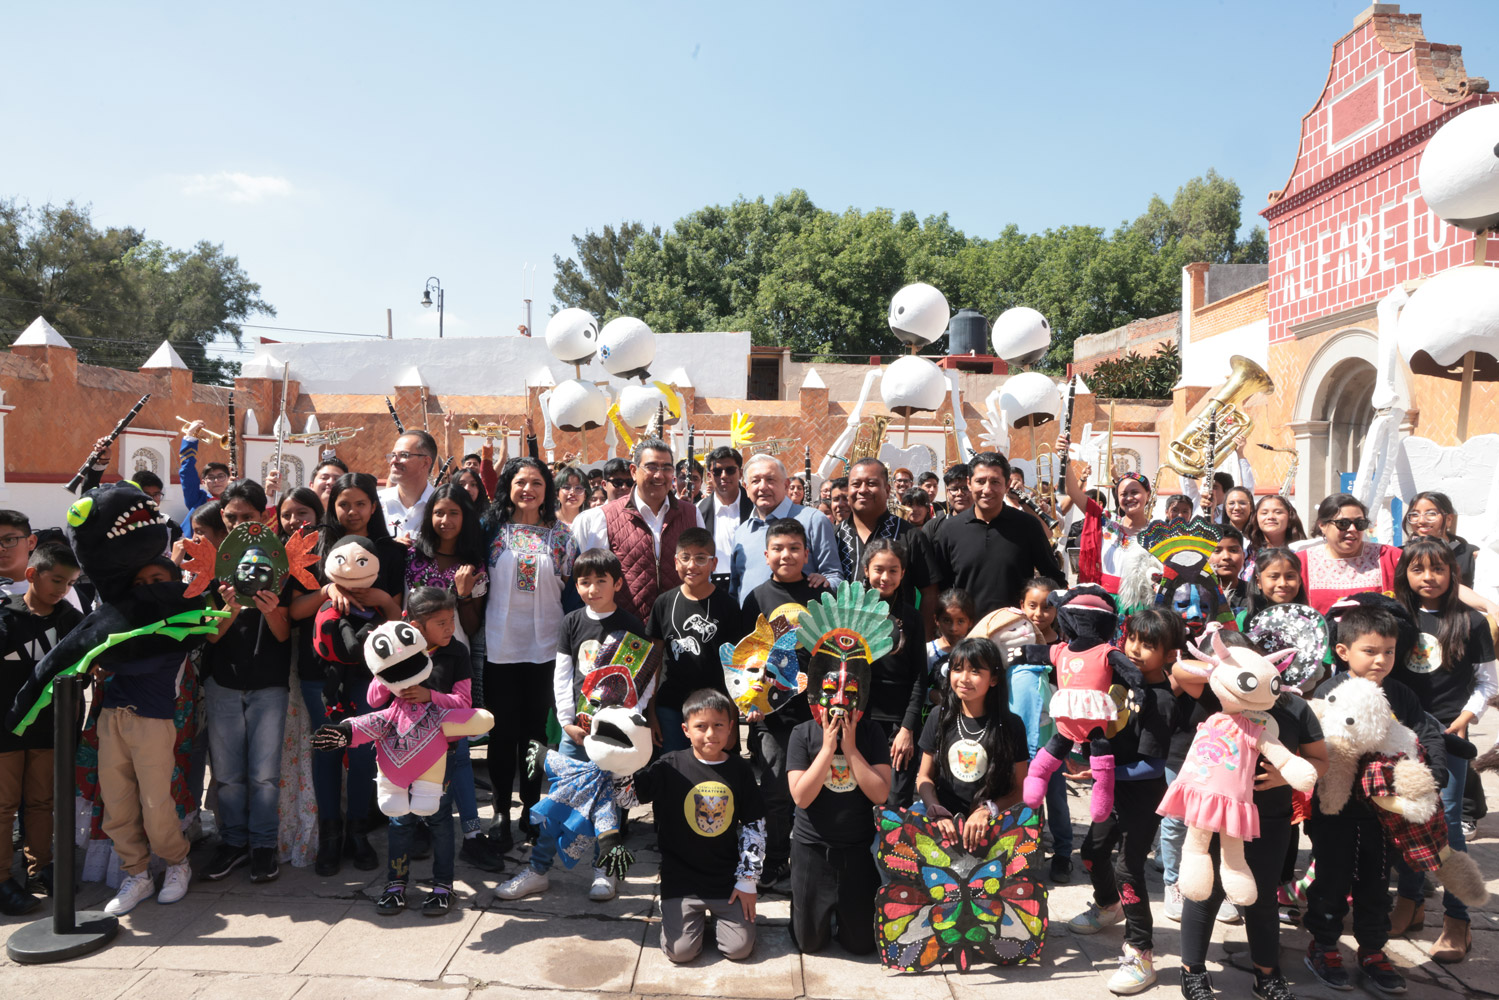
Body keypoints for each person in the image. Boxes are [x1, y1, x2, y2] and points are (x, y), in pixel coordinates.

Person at [1173, 630, 1328, 1000]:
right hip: (1212, 817)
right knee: (1203, 894)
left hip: (1269, 820)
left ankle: (1267, 973)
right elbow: (1179, 671)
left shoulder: (1294, 708)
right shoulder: (1217, 695)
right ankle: (1191, 970)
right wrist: (1220, 666)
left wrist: (1283, 775)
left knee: (1261, 898)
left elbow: (1321, 761)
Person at [1303, 604, 1446, 993]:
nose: (1381, 660)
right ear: (1344, 652)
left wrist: (1432, 773)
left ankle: (1372, 950)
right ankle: (1324, 945)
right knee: (1331, 879)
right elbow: (1320, 745)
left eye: (1389, 651)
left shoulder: (1401, 694)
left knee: (1376, 883)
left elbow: (1427, 733)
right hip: (1335, 811)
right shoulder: (1330, 693)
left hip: (1384, 818)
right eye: (1370, 651)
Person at [290, 472, 408, 872]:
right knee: (327, 749)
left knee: (361, 751)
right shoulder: (313, 547)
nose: (352, 511)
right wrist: (326, 591)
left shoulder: (391, 554)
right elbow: (293, 612)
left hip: (371, 672)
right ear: (332, 506)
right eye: (344, 504)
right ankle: (330, 836)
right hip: (320, 672)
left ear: (373, 506)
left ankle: (358, 833)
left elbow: (398, 619)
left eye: (360, 503)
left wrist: (377, 598)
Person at [1388, 539, 1494, 961]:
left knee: (1448, 823)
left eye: (1438, 569)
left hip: (1450, 735)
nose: (1428, 578)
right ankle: (1410, 903)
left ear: (1453, 573)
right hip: (1403, 734)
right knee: (1408, 817)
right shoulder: (1397, 616)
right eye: (1418, 569)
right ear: (1405, 575)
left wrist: (1465, 719)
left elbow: (1488, 683)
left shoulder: (1471, 621)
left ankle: (1457, 919)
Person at [1066, 608, 1177, 996]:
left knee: (1129, 870)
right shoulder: (1119, 680)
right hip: (1109, 790)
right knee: (1093, 852)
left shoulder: (1161, 699)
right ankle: (1107, 905)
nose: (1136, 649)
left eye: (1150, 645)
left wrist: (1102, 775)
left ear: (1169, 655)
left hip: (1140, 798)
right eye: (1132, 639)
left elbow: (1152, 766)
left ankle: (1140, 952)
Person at [480, 456, 578, 850]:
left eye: (537, 483)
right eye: (521, 481)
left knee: (536, 735)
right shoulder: (491, 531)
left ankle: (531, 806)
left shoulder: (564, 537)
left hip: (545, 651)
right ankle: (501, 810)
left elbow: (571, 594)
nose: (528, 490)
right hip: (500, 647)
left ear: (546, 490)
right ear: (509, 486)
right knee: (502, 733)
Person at [199, 479, 294, 885]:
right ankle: (233, 843)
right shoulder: (209, 567)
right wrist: (230, 607)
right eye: (232, 517)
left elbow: (284, 633)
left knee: (264, 776)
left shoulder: (280, 562)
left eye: (248, 517)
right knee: (228, 774)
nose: (239, 523)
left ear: (265, 516)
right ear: (222, 517)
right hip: (223, 683)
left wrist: (270, 608)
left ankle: (263, 847)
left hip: (269, 684)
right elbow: (211, 636)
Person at [98, 559, 203, 916]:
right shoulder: (127, 621)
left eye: (157, 579)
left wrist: (105, 653)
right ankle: (137, 874)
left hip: (153, 722)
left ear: (175, 583)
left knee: (156, 804)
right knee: (117, 803)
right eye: (140, 581)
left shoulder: (179, 626)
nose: (147, 587)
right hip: (112, 716)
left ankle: (177, 863)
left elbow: (134, 664)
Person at [634, 688, 765, 964]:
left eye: (719, 725)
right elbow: (630, 797)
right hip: (681, 880)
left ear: (731, 728)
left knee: (738, 949)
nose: (710, 734)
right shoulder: (669, 765)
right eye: (701, 726)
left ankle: (718, 919)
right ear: (685, 729)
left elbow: (754, 824)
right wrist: (618, 764)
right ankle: (676, 914)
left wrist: (748, 880)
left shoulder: (740, 770)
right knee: (680, 953)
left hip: (725, 881)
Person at [370, 587, 476, 915]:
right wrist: (389, 669)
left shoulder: (457, 653)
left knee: (440, 819)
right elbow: (374, 700)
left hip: (440, 755)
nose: (449, 628)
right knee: (399, 820)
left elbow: (465, 705)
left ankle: (442, 885)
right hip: (399, 752)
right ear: (415, 626)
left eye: (452, 620)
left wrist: (431, 696)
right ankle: (396, 884)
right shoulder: (398, 651)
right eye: (441, 623)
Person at [740, 518, 832, 890]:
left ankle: (811, 860)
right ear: (766, 555)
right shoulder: (757, 599)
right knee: (776, 791)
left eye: (794, 548)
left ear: (807, 553)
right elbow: (745, 658)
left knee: (818, 789)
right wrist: (749, 703)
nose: (786, 555)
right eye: (778, 549)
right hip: (772, 715)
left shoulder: (820, 598)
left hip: (816, 712)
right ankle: (774, 860)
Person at [0, 542, 83, 913]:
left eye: (69, 583)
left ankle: (41, 868)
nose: (62, 590)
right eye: (56, 580)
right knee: (3, 806)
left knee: (41, 802)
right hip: (5, 729)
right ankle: (2, 878)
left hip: (49, 728)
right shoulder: (5, 616)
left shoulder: (69, 618)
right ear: (32, 574)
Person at [785, 668, 891, 955]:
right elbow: (801, 797)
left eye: (851, 694)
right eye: (830, 691)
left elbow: (881, 794)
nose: (840, 700)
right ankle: (807, 909)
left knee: (861, 945)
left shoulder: (873, 732)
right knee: (810, 944)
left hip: (857, 850)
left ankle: (841, 911)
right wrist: (828, 749)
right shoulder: (802, 733)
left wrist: (852, 749)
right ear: (817, 694)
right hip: (812, 848)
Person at [570, 438, 706, 622]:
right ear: (634, 471)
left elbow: (702, 573)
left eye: (666, 468)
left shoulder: (691, 514)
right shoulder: (605, 517)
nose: (659, 475)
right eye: (651, 467)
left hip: (680, 628)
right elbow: (595, 581)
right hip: (627, 634)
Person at [915, 637, 1028, 853]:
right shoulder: (937, 717)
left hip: (990, 826)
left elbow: (1020, 789)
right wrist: (934, 809)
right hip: (943, 823)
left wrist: (988, 811)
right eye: (957, 669)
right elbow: (924, 777)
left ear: (993, 678)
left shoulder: (1012, 725)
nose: (964, 678)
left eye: (975, 671)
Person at [926, 451, 1064, 618]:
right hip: (966, 635)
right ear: (969, 483)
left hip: (1016, 632)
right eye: (980, 481)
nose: (987, 489)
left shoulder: (1027, 526)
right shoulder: (949, 529)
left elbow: (1053, 578)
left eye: (995, 482)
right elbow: (940, 588)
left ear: (1007, 486)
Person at [647, 527, 741, 753]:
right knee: (672, 771)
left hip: (715, 710)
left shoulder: (728, 606)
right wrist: (650, 713)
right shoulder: (663, 603)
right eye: (685, 557)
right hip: (670, 706)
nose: (692, 565)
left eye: (701, 558)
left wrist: (733, 722)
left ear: (714, 563)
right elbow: (654, 661)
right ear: (676, 562)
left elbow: (736, 667)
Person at [860, 540, 927, 808]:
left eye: (893, 571)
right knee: (860, 797)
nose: (885, 578)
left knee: (896, 801)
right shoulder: (851, 612)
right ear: (866, 570)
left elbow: (919, 677)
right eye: (878, 569)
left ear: (903, 574)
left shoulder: (912, 618)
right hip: (859, 720)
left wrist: (907, 728)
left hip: (899, 726)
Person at [729, 454, 841, 603]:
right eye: (755, 481)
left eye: (770, 480)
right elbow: (735, 589)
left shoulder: (813, 520)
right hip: (750, 623)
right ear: (746, 487)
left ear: (786, 485)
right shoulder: (742, 532)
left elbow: (835, 577)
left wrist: (824, 585)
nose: (763, 486)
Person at [1059, 431, 1154, 595]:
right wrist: (1065, 458)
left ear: (1148, 495)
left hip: (1142, 606)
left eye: (1135, 492)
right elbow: (1073, 491)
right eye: (1124, 494)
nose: (1129, 498)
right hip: (1106, 602)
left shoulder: (1158, 533)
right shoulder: (1106, 523)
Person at [835, 459, 930, 608]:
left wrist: (921, 630)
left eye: (871, 483)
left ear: (887, 490)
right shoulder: (834, 536)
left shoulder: (909, 535)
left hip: (898, 629)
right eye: (856, 484)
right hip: (842, 630)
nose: (862, 489)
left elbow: (930, 592)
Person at [407, 483, 488, 641]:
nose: (445, 520)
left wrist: (464, 596)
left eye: (453, 513)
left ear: (465, 517)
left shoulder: (474, 567)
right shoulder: (412, 556)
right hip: (411, 651)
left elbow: (472, 628)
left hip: (453, 657)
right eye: (439, 513)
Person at [1298, 495, 1400, 615]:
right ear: (1322, 525)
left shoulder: (1390, 557)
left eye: (1359, 523)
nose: (1352, 529)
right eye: (1343, 523)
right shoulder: (1301, 563)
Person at [697, 446, 752, 590]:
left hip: (751, 586)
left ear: (740, 473)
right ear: (709, 476)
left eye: (730, 470)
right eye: (717, 471)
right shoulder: (698, 511)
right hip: (712, 589)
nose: (723, 476)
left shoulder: (756, 507)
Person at [379, 429, 438, 540]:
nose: (394, 461)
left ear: (425, 462)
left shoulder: (441, 504)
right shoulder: (377, 502)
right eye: (393, 455)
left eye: (404, 455)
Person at [178, 418, 231, 537]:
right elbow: (187, 471)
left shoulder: (235, 500)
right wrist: (190, 437)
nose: (216, 481)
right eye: (211, 477)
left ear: (229, 478)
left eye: (221, 476)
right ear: (203, 482)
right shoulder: (198, 499)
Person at [923, 463, 971, 535]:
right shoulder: (933, 528)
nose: (959, 493)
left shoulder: (988, 524)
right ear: (947, 491)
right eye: (954, 489)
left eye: (965, 488)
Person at [1211, 526, 1249, 611]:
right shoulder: (1195, 594)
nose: (1226, 556)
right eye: (1217, 551)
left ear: (1243, 556)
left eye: (1233, 550)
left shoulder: (1255, 594)